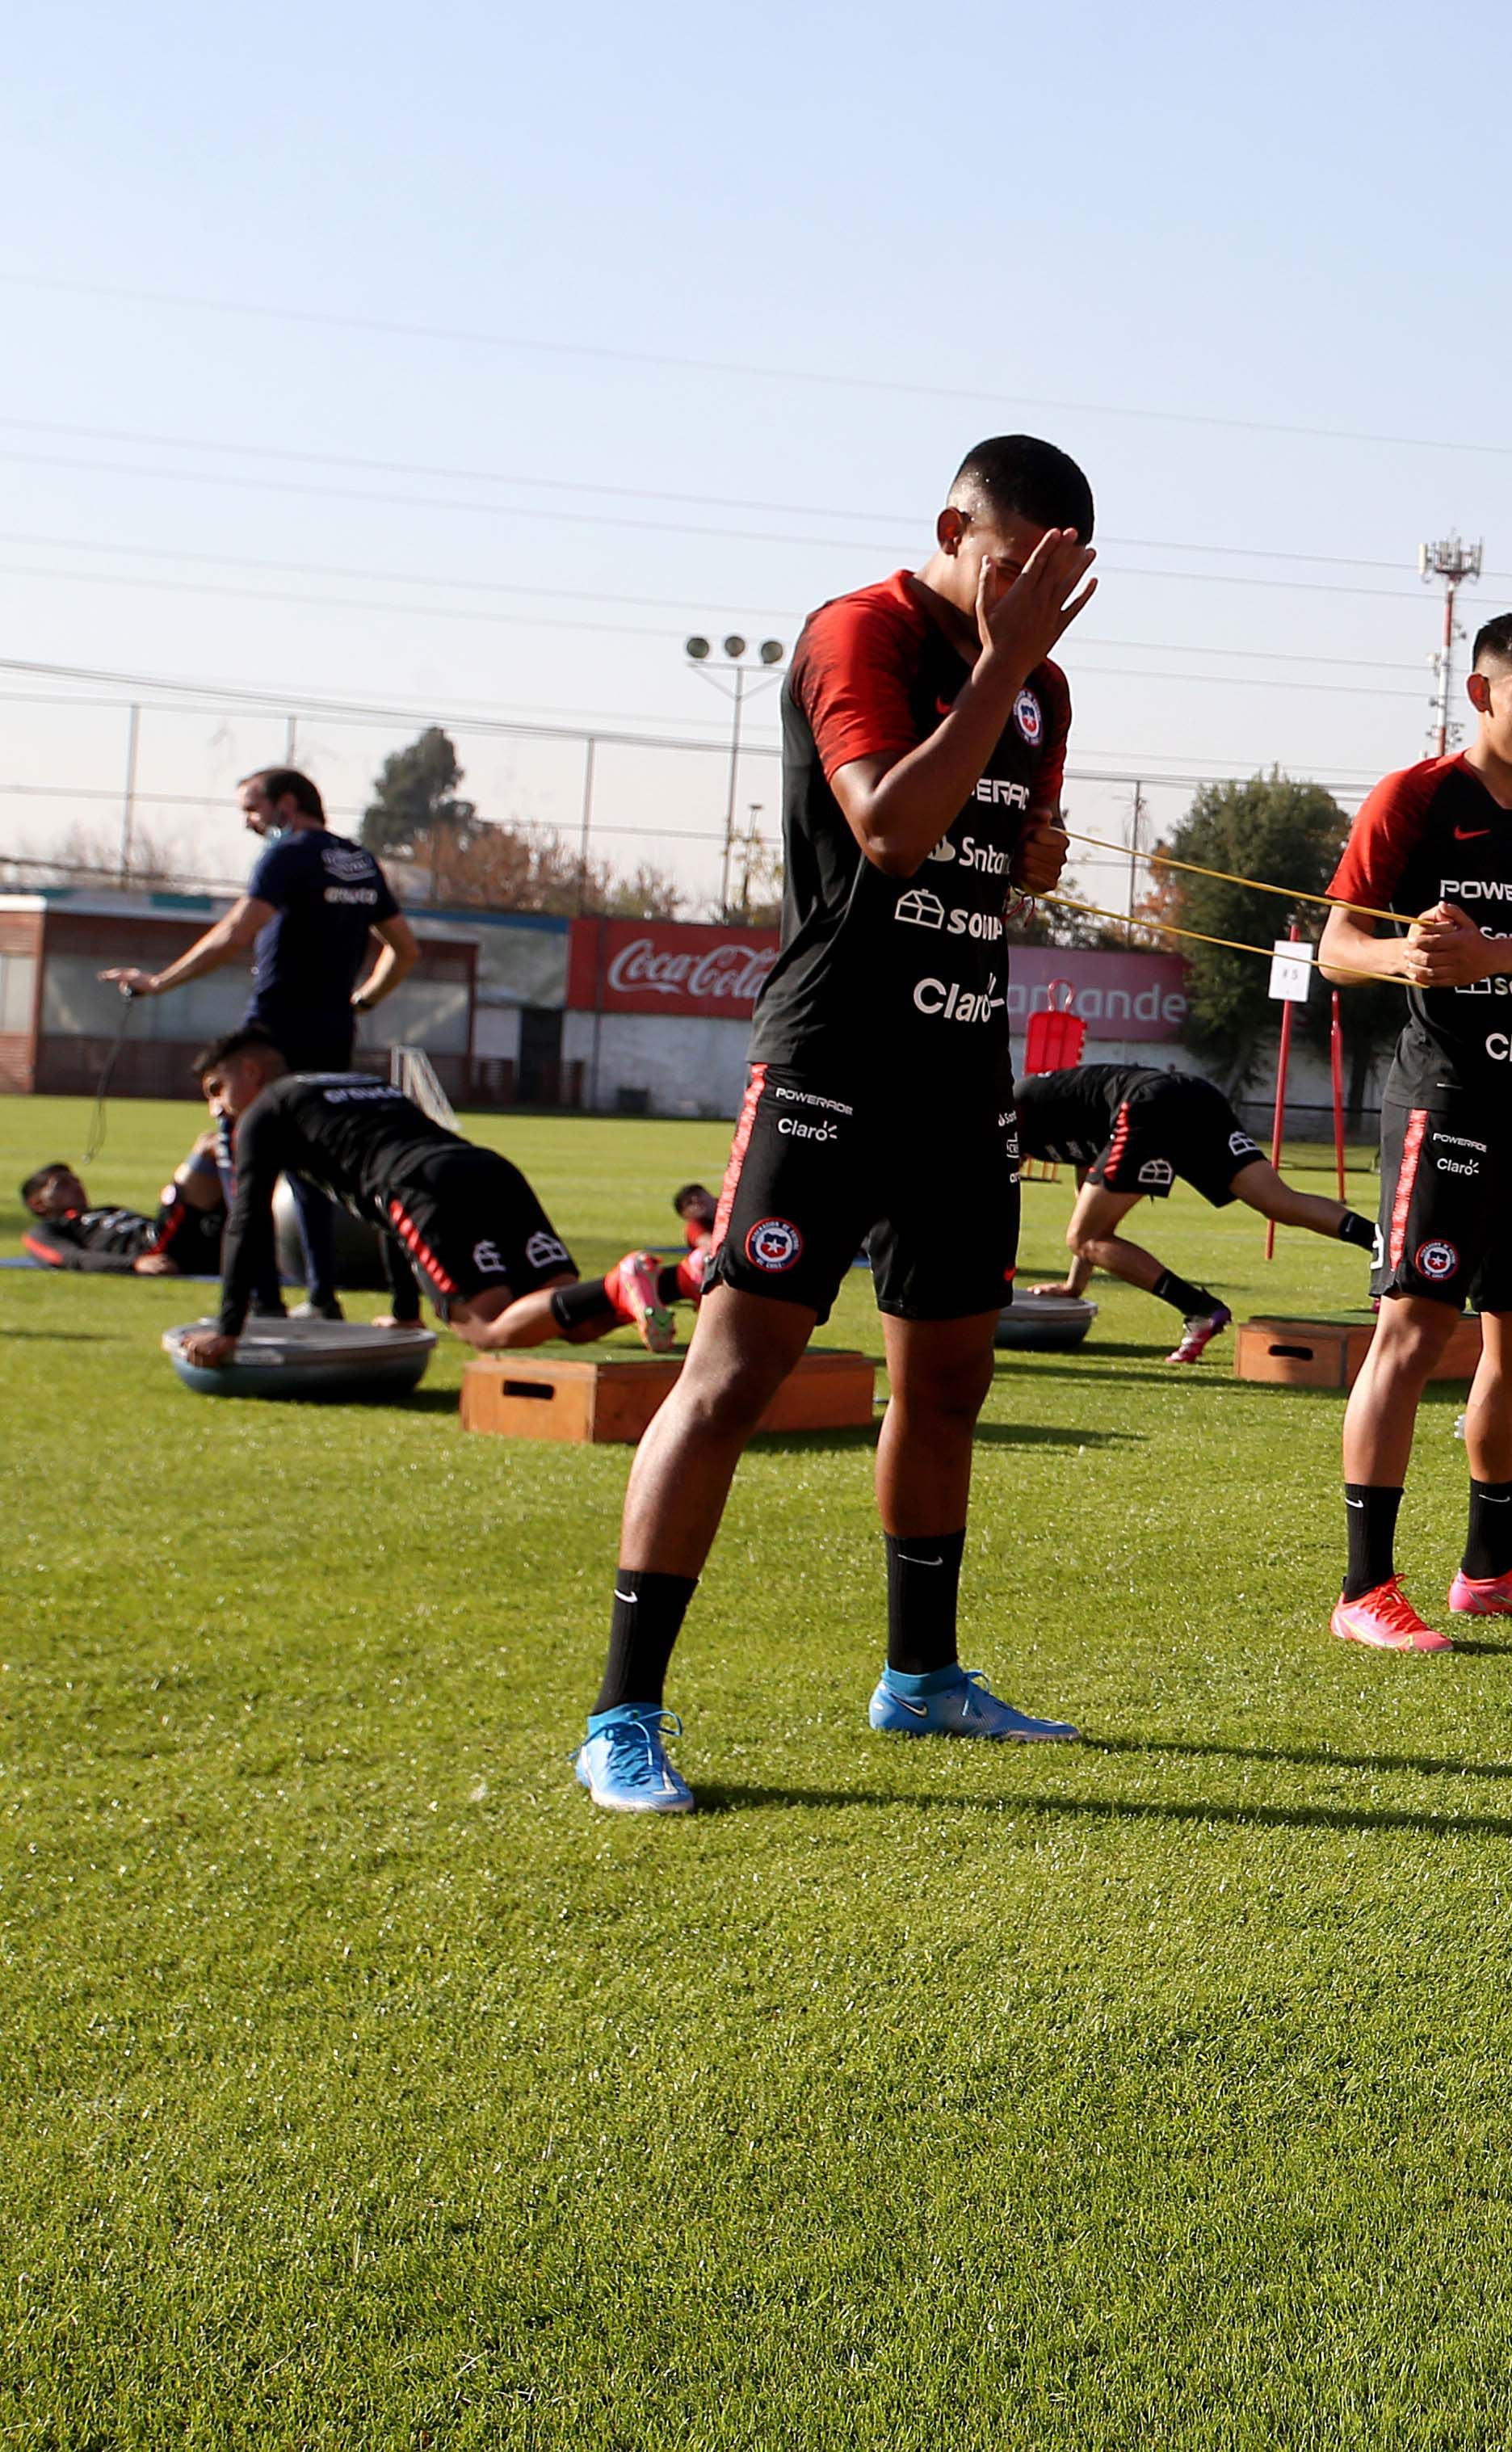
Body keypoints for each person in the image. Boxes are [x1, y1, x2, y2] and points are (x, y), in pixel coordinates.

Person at [573, 436, 1094, 1815]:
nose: (1031, 603)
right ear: (952, 528)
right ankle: (621, 1716)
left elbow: (989, 854)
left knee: (946, 1388)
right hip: (830, 1062)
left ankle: (921, 1681)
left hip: (960, 1076)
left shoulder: (1039, 688)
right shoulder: (859, 629)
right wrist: (999, 665)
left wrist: (1034, 854)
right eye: (1011, 568)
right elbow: (889, 831)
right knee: (734, 1376)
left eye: (1058, 584)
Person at [1313, 612, 1512, 1654]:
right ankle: (1363, 1590)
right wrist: (1407, 959)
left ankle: (1488, 1570)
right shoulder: (1413, 797)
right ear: (1481, 693)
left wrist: (1482, 953)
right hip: (1440, 1105)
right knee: (1412, 1333)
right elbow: (1336, 945)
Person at [101, 768, 422, 1319]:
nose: (249, 822)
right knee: (321, 1169)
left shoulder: (287, 855)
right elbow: (405, 949)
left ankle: (262, 1298)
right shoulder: (360, 861)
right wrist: (361, 1001)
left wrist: (158, 982)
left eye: (252, 809)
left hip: (271, 1037)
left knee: (246, 1164)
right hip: (332, 1035)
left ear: (286, 804)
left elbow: (235, 933)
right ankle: (324, 1298)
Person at [178, 1030, 669, 1361]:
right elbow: (391, 1222)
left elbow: (247, 1219)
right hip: (492, 1171)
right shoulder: (361, 1082)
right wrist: (404, 1313)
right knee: (565, 1317)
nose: (216, 1109)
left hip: (426, 1188)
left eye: (216, 1090)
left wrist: (228, 1327)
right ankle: (677, 1281)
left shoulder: (268, 1109)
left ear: (251, 1072)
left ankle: (619, 1281)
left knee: (489, 1329)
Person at [1014, 1060, 1377, 1357]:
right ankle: (1386, 1245)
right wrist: (1074, 1286)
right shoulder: (1043, 1117)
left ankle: (1199, 1308)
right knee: (1279, 1202)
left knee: (1084, 1237)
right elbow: (1089, 1193)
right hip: (1192, 1093)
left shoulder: (1013, 1110)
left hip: (1149, 1105)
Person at [19, 1146, 222, 1274]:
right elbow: (73, 1259)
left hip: (185, 1242)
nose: (76, 1187)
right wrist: (135, 1263)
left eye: (76, 1180)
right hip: (154, 1247)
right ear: (38, 1204)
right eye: (61, 1184)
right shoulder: (50, 1230)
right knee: (207, 1147)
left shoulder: (107, 1210)